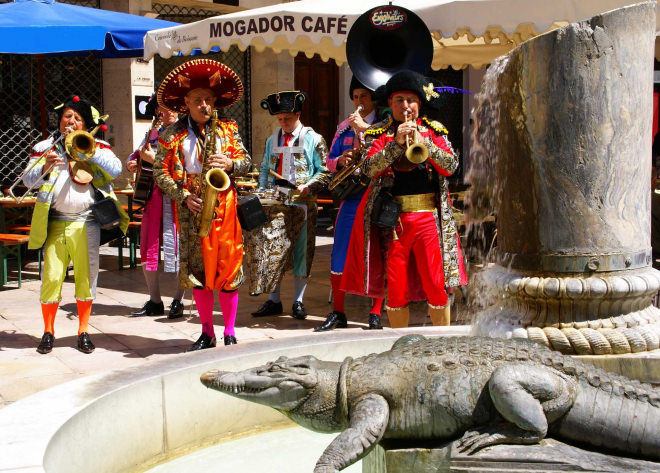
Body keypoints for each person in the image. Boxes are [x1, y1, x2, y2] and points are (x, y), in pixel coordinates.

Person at [341, 70, 468, 328]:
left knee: (435, 281)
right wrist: (396, 145)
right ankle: (398, 342)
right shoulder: (378, 134)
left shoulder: (434, 132)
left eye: (410, 101)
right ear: (390, 104)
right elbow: (368, 169)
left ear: (419, 104)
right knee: (396, 285)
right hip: (393, 222)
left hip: (428, 220)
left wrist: (426, 145)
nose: (405, 106)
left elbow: (452, 166)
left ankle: (442, 340)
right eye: (399, 100)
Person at [153, 59, 251, 350]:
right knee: (199, 270)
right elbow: (160, 172)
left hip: (226, 206)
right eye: (198, 100)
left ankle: (230, 331)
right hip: (193, 207)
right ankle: (207, 331)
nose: (205, 106)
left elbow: (247, 163)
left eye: (209, 100)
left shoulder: (229, 129)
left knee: (229, 268)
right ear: (186, 103)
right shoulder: (171, 135)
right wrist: (183, 196)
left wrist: (232, 164)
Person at [25, 95, 128, 354]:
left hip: (87, 222)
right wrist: (43, 168)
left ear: (85, 124)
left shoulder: (97, 145)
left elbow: (116, 170)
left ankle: (83, 331)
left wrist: (88, 151)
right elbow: (27, 181)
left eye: (77, 118)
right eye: (66, 117)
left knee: (86, 277)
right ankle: (48, 331)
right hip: (55, 222)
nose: (70, 121)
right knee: (51, 278)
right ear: (59, 121)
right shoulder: (44, 147)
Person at [251, 91, 331, 320]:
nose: (283, 122)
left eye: (287, 118)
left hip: (302, 203)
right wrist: (262, 193)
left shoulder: (314, 139)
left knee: (301, 253)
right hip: (276, 202)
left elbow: (324, 171)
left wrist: (310, 187)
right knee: (273, 252)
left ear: (298, 114)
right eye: (279, 119)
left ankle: (298, 301)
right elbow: (266, 168)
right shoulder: (272, 139)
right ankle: (273, 300)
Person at [315, 77, 384, 331]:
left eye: (363, 97)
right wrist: (342, 160)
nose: (358, 102)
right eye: (355, 97)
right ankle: (338, 312)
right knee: (339, 253)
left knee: (376, 252)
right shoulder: (344, 128)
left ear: (372, 99)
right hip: (351, 196)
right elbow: (329, 161)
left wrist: (365, 129)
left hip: (376, 196)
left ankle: (376, 312)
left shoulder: (383, 124)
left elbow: (384, 153)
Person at [126, 93, 186, 318]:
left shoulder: (187, 134)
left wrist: (154, 160)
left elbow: (185, 165)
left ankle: (178, 300)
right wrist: (133, 162)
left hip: (177, 197)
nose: (167, 112)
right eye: (162, 108)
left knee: (182, 247)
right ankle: (154, 300)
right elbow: (137, 154)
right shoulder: (151, 133)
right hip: (153, 198)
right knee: (148, 246)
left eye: (171, 107)